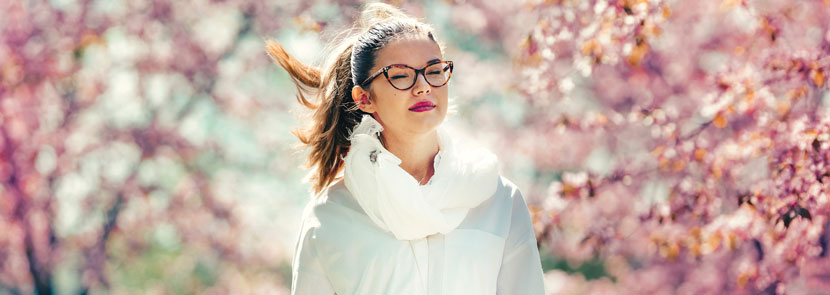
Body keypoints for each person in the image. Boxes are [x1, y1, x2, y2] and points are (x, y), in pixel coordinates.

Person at [267, 3, 545, 294]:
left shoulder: (498, 198)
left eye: (434, 71)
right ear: (364, 99)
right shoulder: (330, 216)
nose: (423, 86)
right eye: (400, 75)